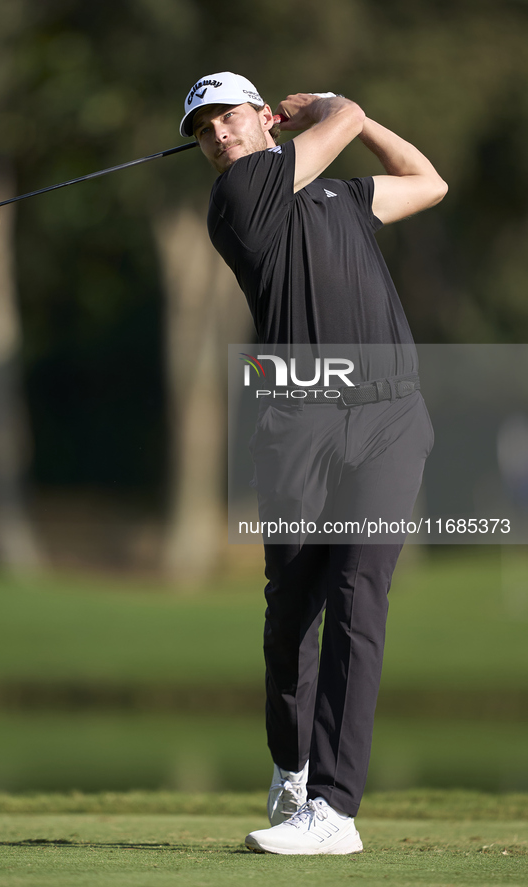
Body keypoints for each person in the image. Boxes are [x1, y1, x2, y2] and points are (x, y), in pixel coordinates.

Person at [179, 72, 447, 855]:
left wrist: (348, 126)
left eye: (228, 118)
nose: (218, 136)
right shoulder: (239, 198)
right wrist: (326, 108)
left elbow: (426, 182)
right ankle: (290, 764)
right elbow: (347, 112)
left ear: (259, 117)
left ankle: (332, 809)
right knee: (292, 604)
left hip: (391, 417)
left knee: (358, 595)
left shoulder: (339, 200)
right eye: (203, 130)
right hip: (298, 421)